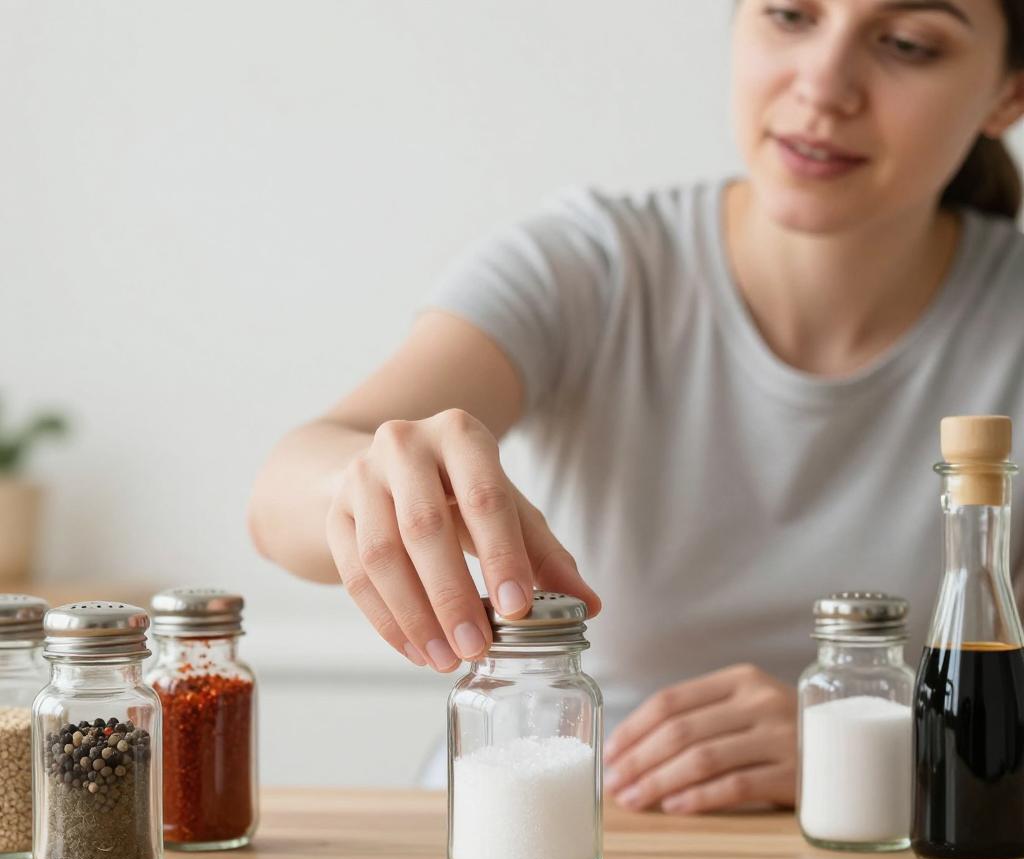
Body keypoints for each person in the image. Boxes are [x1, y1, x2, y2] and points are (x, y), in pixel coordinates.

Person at [249, 0, 1024, 813]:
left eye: (906, 44)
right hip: (550, 829)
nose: (824, 86)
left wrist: (873, 751)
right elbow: (280, 497)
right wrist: (366, 489)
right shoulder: (590, 265)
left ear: (1007, 94)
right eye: (791, 16)